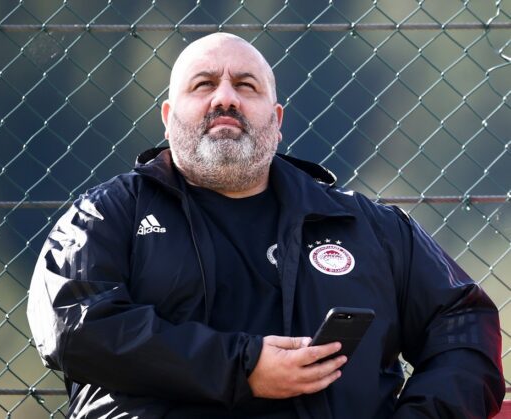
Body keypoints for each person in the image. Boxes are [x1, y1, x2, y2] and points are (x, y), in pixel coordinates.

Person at [27, 32, 505, 418]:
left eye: (246, 86)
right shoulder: (108, 216)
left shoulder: (368, 227)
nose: (225, 98)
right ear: (168, 119)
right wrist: (244, 367)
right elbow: (71, 326)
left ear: (276, 122)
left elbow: (464, 324)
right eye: (203, 84)